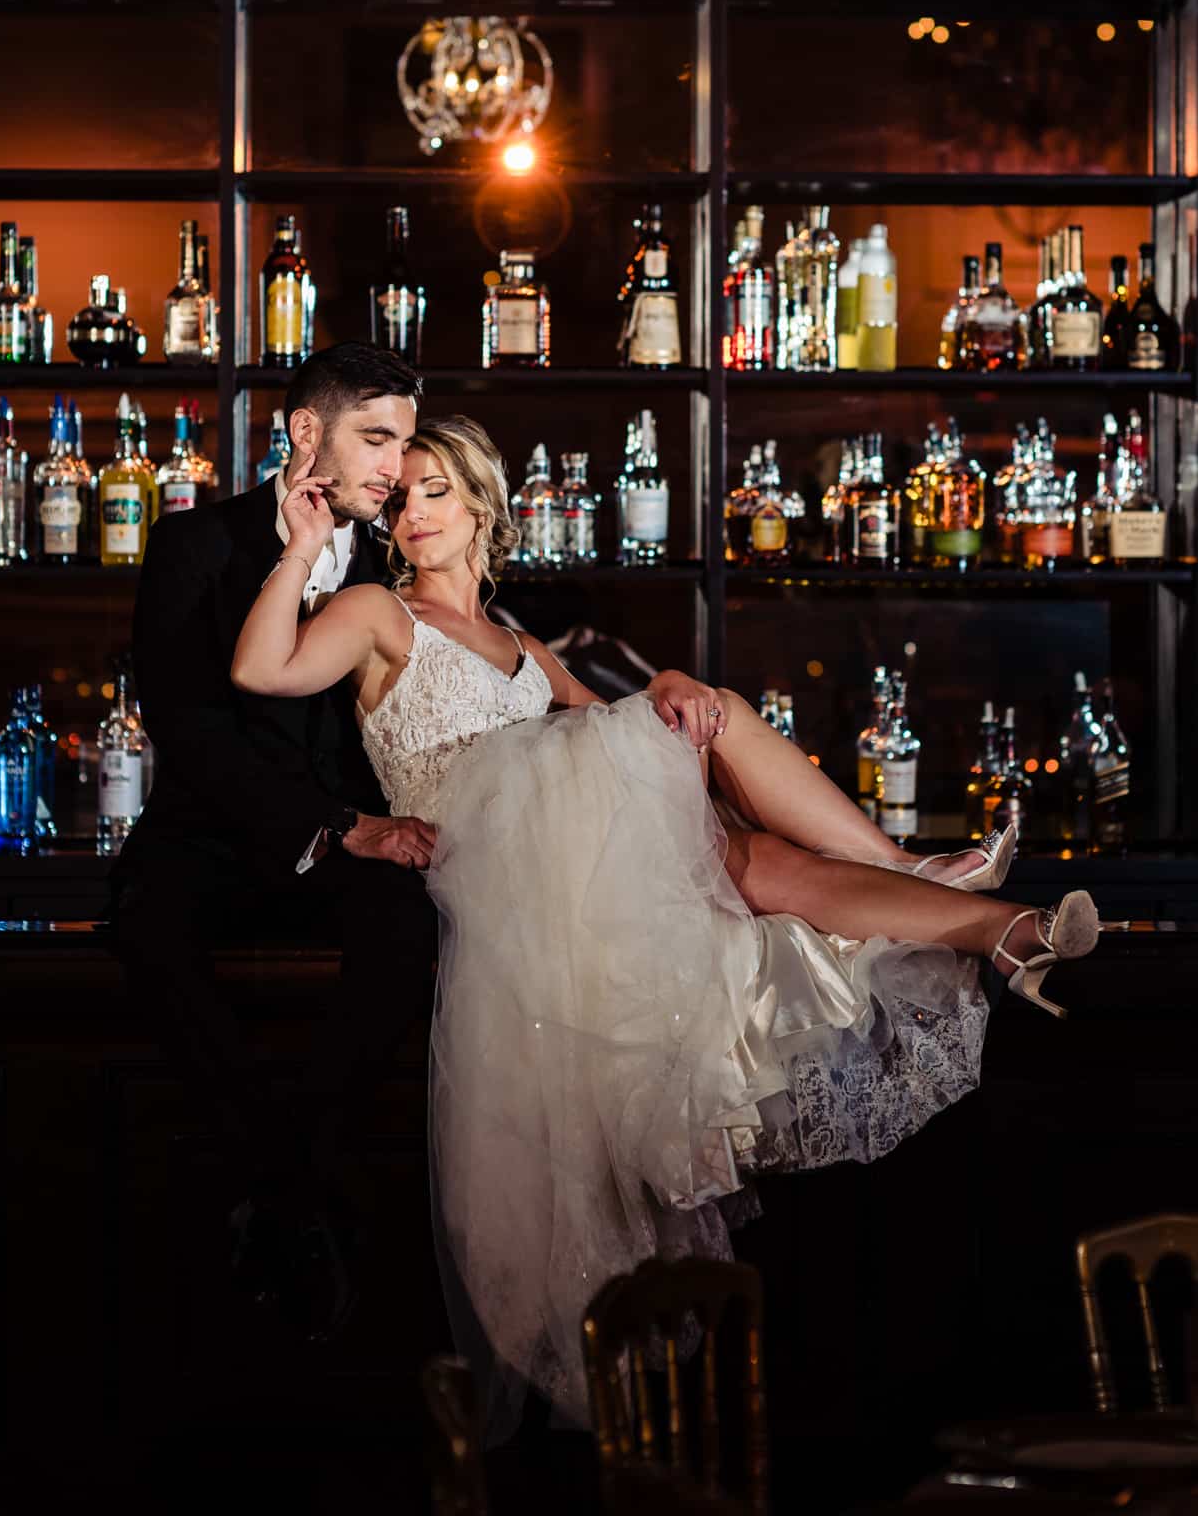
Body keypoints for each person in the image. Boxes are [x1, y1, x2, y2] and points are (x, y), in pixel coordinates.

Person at [231, 413, 1100, 1425]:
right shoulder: (382, 611)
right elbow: (261, 668)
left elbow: (597, 722)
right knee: (713, 771)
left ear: (481, 505)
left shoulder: (519, 645)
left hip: (569, 858)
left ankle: (995, 924)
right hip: (494, 867)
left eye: (437, 492)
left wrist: (667, 690)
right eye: (403, 496)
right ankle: (931, 879)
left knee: (748, 841)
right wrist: (300, 548)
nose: (416, 513)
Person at [106, 343, 439, 1336]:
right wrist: (332, 822)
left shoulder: (394, 557)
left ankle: (282, 1184)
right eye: (375, 436)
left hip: (347, 845)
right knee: (145, 931)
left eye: (405, 442)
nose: (394, 465)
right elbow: (190, 729)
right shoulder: (193, 544)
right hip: (209, 835)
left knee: (414, 928)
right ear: (305, 432)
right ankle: (296, 1186)